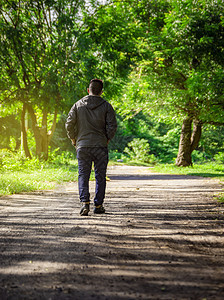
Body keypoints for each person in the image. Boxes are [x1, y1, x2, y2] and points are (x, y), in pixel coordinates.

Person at [65, 79, 117, 216]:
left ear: (88, 90)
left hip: (82, 146)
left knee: (83, 174)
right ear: (101, 92)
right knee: (100, 176)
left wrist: (74, 139)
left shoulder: (77, 105)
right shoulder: (106, 106)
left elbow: (69, 124)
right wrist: (107, 139)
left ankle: (84, 204)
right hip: (100, 146)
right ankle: (98, 205)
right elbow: (112, 126)